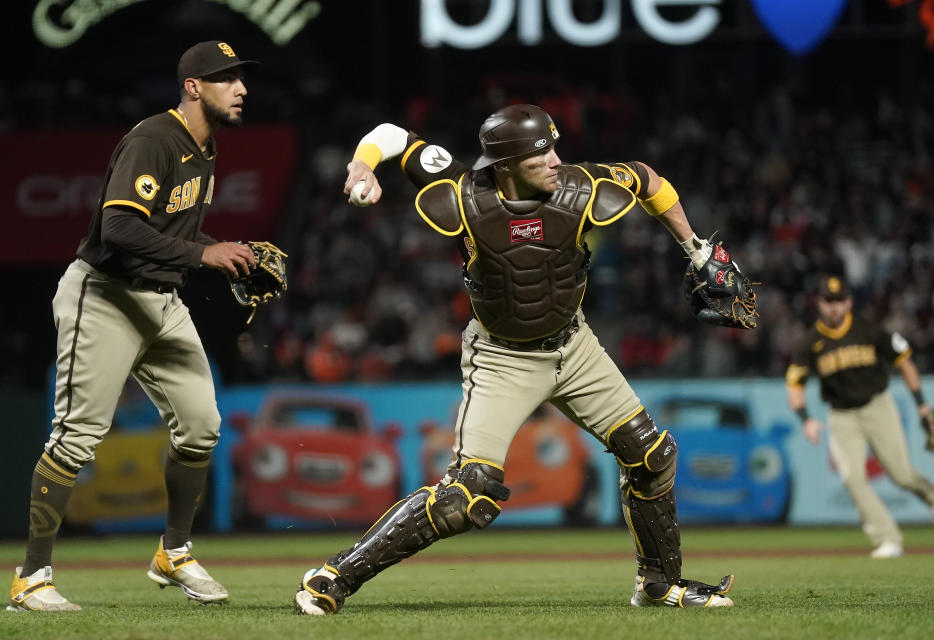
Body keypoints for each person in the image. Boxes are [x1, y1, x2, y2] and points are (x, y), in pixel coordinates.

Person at [294, 104, 739, 615]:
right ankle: (333, 577)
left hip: (575, 348)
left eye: (553, 146)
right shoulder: (463, 197)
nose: (555, 160)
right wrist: (362, 164)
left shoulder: (583, 187)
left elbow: (646, 179)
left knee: (652, 455)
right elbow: (393, 134)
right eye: (540, 152)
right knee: (468, 495)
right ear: (504, 163)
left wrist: (698, 250)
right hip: (502, 358)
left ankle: (659, 585)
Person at [8, 41, 260, 612]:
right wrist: (204, 256)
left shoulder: (206, 147)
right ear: (193, 86)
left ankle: (174, 551)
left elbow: (172, 231)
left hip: (161, 301)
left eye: (242, 78)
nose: (241, 88)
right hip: (104, 295)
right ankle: (31, 579)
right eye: (226, 79)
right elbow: (119, 226)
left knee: (200, 425)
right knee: (76, 436)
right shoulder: (155, 138)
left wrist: (220, 248)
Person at [785, 274, 934, 559]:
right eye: (829, 301)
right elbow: (794, 384)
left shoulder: (869, 329)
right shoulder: (810, 342)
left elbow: (905, 362)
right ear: (820, 303)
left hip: (878, 406)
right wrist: (806, 419)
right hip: (841, 416)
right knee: (852, 477)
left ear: (849, 301)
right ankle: (887, 538)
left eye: (840, 300)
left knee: (900, 474)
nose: (835, 307)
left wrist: (922, 404)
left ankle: (933, 496)